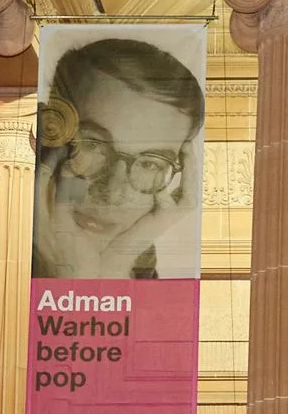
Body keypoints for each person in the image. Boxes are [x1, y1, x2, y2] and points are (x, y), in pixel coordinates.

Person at [32, 34, 205, 280]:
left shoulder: (139, 275)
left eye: (149, 163)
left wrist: (115, 266)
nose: (113, 194)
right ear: (50, 138)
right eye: (92, 144)